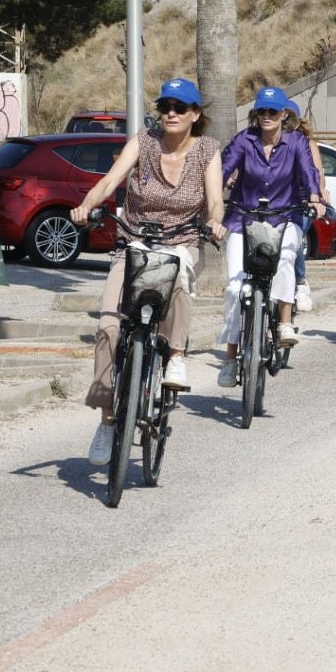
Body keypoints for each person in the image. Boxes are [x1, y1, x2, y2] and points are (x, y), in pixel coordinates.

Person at [73, 78, 226, 466]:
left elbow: (214, 201)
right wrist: (85, 206)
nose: (170, 113)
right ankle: (108, 421)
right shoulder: (143, 141)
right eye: (165, 106)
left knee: (179, 278)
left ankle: (175, 353)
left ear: (195, 114)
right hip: (134, 242)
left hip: (182, 242)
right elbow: (109, 181)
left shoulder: (207, 150)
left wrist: (215, 222)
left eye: (180, 107)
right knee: (109, 327)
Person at [219, 88, 324, 385]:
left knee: (286, 260)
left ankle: (285, 323)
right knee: (235, 286)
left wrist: (314, 197)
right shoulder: (244, 140)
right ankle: (230, 357)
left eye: (272, 112)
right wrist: (218, 189)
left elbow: (307, 172)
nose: (266, 117)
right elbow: (225, 168)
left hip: (283, 216)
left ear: (284, 115)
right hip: (243, 219)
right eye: (261, 112)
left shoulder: (296, 143)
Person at [283, 99, 328, 314]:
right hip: (274, 202)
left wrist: (318, 195)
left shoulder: (307, 144)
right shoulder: (265, 141)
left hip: (301, 200)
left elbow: (317, 172)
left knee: (294, 236)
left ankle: (300, 281)